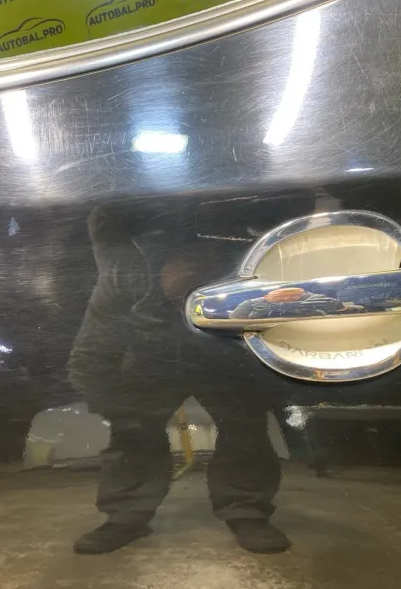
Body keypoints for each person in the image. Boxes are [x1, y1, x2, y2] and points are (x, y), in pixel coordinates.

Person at [68, 204, 289, 555]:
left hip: (222, 348)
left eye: (196, 279)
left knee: (245, 423)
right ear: (159, 272)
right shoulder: (124, 279)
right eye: (180, 281)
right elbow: (90, 352)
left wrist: (267, 386)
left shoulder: (242, 282)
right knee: (133, 428)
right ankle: (125, 516)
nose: (187, 285)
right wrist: (113, 405)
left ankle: (247, 511)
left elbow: (275, 339)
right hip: (154, 350)